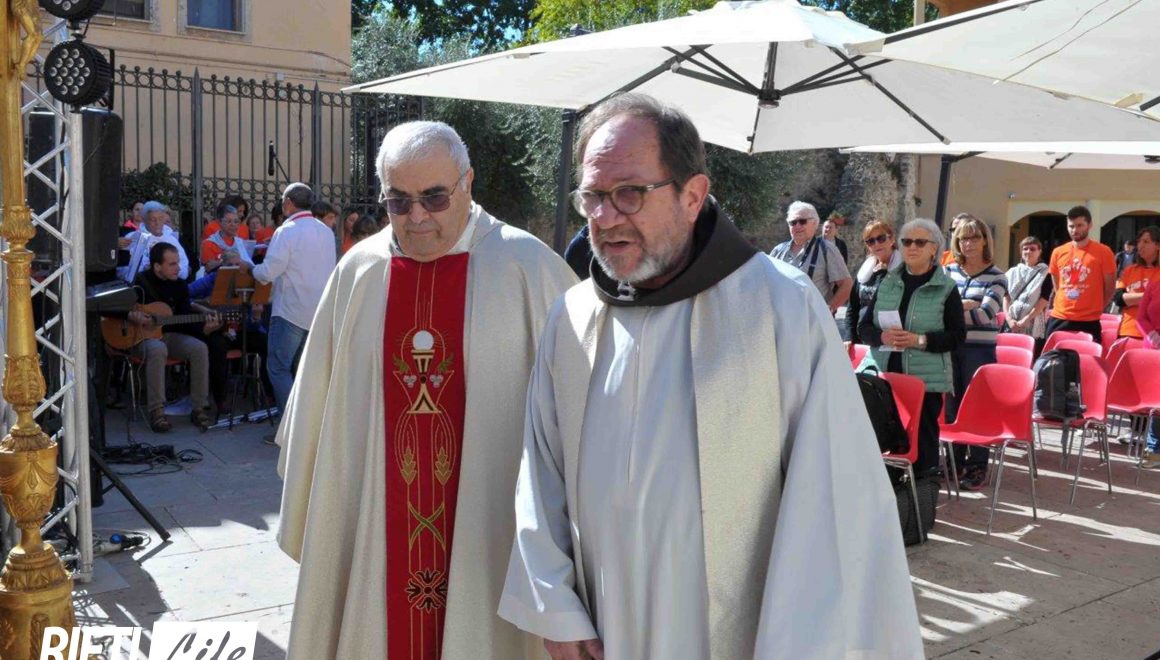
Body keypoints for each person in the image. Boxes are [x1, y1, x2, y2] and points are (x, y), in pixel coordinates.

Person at [499, 93, 921, 660]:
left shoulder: (779, 307)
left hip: (733, 634)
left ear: (693, 195)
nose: (604, 217)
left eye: (629, 193)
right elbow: (540, 471)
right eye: (593, 196)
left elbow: (834, 502)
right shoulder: (571, 317)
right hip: (602, 624)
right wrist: (554, 609)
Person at [275, 121, 575, 660]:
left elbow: (580, 420)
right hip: (378, 526)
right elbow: (318, 421)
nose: (417, 217)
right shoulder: (359, 272)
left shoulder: (528, 268)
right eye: (398, 201)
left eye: (435, 198)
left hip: (489, 531)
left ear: (468, 183)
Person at [859, 218, 965, 475]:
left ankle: (923, 493)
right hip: (885, 378)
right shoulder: (887, 282)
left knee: (922, 446)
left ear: (934, 248)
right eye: (907, 242)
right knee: (883, 441)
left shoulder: (946, 288)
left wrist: (920, 340)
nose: (912, 247)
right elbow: (864, 328)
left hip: (924, 379)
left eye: (920, 242)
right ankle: (891, 493)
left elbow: (957, 336)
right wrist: (882, 337)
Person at [241, 183, 336, 418]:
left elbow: (268, 272)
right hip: (318, 311)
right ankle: (307, 426)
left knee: (277, 367)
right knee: (304, 371)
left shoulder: (286, 231)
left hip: (290, 311)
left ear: (288, 203)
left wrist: (249, 268)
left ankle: (289, 425)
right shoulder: (325, 231)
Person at [127, 243, 219, 432]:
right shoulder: (139, 283)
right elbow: (115, 307)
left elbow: (184, 319)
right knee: (157, 348)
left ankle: (199, 407)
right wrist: (130, 315)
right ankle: (157, 411)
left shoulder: (179, 285)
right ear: (157, 266)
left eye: (178, 263)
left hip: (168, 334)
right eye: (172, 264)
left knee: (199, 347)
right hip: (139, 337)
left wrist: (205, 329)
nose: (178, 268)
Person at [944, 217, 1008, 490]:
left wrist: (954, 309)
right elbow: (937, 309)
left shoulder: (997, 276)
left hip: (980, 351)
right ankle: (954, 461)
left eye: (974, 238)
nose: (968, 244)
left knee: (978, 406)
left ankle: (978, 464)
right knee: (952, 405)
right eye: (963, 239)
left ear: (985, 241)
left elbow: (985, 315)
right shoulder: (947, 272)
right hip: (950, 347)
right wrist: (966, 305)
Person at [1047, 205, 1116, 344]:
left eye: (1079, 225)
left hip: (1089, 320)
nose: (1075, 230)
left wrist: (1096, 308)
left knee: (1088, 357)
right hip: (1060, 317)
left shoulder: (1104, 252)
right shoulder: (1058, 252)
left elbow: (1110, 288)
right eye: (1071, 226)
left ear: (1089, 225)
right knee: (1052, 357)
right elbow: (1057, 286)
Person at [770, 201, 853, 315]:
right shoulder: (778, 251)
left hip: (811, 322)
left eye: (802, 221)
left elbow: (846, 285)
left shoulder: (827, 250)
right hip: (781, 319)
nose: (797, 226)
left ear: (815, 223)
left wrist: (827, 311)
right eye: (793, 222)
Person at [846, 220, 901, 345]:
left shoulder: (904, 270)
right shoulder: (865, 270)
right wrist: (849, 336)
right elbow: (853, 306)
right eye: (870, 241)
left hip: (890, 341)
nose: (876, 244)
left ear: (892, 239)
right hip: (862, 340)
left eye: (881, 238)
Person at [118, 201, 191, 283]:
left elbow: (184, 269)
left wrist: (167, 271)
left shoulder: (172, 239)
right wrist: (144, 270)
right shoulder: (132, 238)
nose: (157, 223)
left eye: (160, 219)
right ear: (144, 220)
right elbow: (121, 271)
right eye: (153, 220)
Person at [1004, 236, 1053, 355]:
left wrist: (1025, 320)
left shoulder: (1046, 273)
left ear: (1039, 251)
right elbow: (1006, 297)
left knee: (1030, 357)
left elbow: (1044, 300)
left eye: (1032, 249)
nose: (1028, 252)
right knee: (1009, 356)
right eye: (1025, 249)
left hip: (1033, 322)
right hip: (1011, 322)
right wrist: (1009, 319)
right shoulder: (1012, 272)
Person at [1115, 226, 1160, 338]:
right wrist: (1150, 297)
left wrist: (1131, 297)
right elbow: (1118, 299)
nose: (1140, 245)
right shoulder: (1130, 270)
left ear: (1158, 245)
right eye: (1139, 241)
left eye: (1146, 241)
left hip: (1155, 334)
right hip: (1127, 331)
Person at [199, 204, 253, 271]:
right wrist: (226, 261)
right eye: (229, 221)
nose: (233, 225)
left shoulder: (240, 243)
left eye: (236, 222)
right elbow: (208, 269)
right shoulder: (208, 244)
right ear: (219, 222)